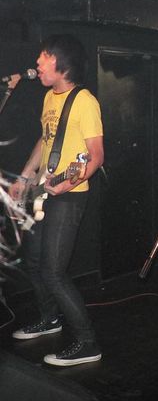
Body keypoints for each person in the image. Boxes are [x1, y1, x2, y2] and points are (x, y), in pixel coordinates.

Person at [8, 34, 104, 366]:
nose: (37, 62)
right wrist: (25, 176)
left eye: (44, 56)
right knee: (34, 262)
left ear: (61, 63)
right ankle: (50, 320)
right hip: (44, 192)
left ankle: (88, 343)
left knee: (54, 272)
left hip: (69, 197)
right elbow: (45, 140)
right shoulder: (50, 97)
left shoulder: (85, 101)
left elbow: (95, 156)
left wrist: (69, 182)